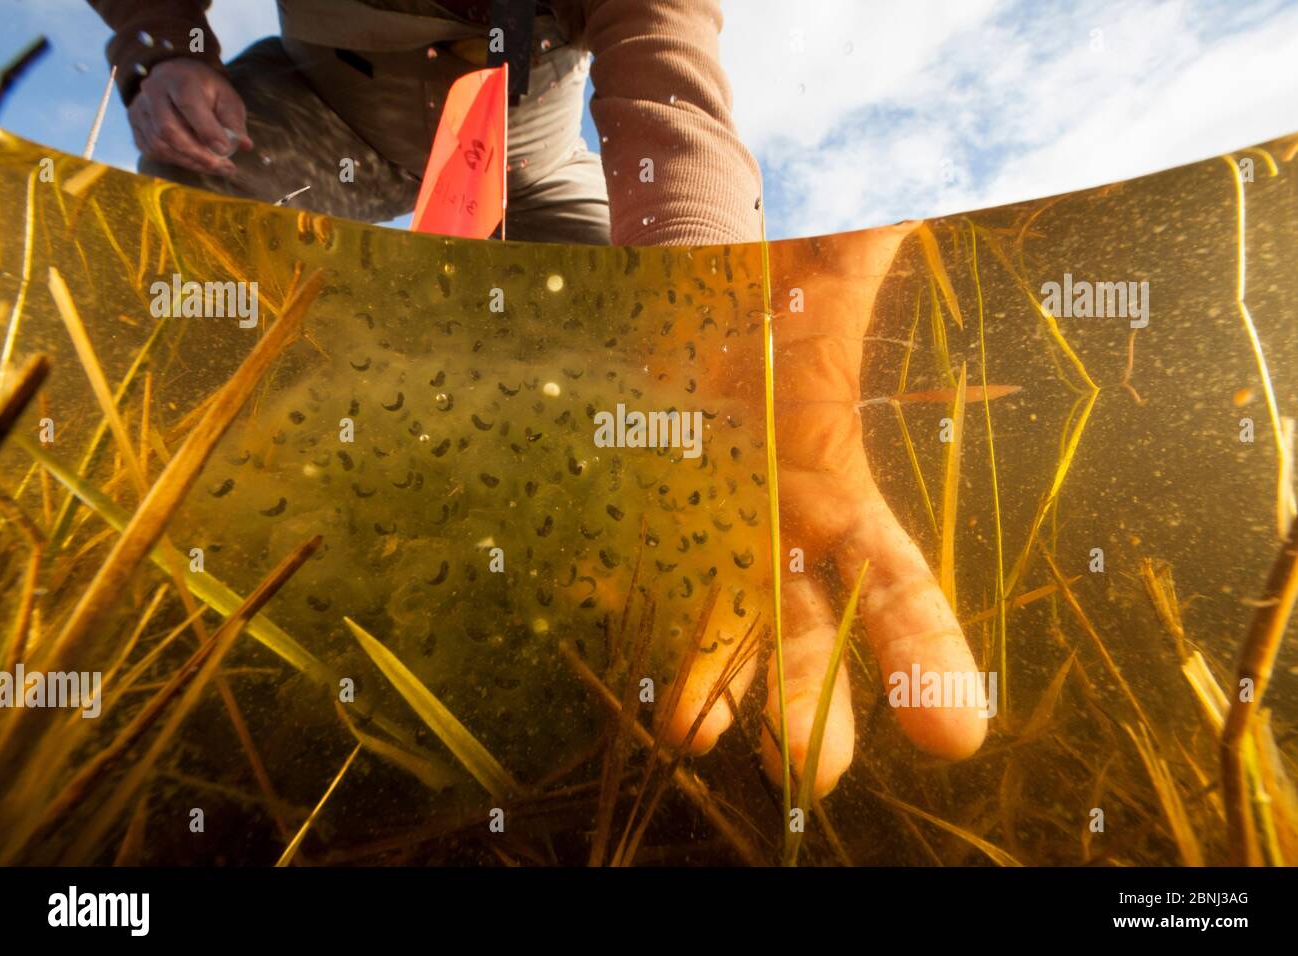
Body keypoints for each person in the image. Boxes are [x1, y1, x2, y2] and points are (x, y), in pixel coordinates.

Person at [88, 0, 986, 798]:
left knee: (619, 322)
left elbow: (668, 83)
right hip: (313, 114)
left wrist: (702, 309)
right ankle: (156, 487)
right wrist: (166, 49)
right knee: (194, 214)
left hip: (535, 162)